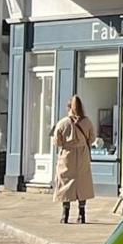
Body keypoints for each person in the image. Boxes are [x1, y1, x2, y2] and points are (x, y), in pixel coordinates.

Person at [51, 95, 97, 224]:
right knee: (82, 182)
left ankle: (65, 214)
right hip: (82, 154)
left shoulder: (62, 123)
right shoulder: (87, 122)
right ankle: (82, 213)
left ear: (68, 107)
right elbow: (92, 138)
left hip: (67, 154)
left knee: (65, 181)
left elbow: (57, 142)